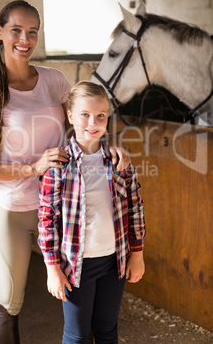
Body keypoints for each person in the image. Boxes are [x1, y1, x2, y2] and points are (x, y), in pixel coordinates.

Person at [0, 0, 130, 343]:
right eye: (16, 31)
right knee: (9, 301)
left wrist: (109, 145)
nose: (25, 39)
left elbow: (82, 122)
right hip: (12, 210)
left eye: (32, 32)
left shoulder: (54, 81)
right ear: (0, 33)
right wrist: (33, 167)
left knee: (76, 301)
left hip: (60, 208)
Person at [38, 81, 146, 344]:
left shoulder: (119, 161)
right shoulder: (58, 165)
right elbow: (46, 219)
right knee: (76, 334)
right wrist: (52, 268)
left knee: (107, 330)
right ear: (71, 116)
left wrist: (137, 254)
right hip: (76, 265)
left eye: (100, 115)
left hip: (113, 261)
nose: (92, 122)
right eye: (85, 114)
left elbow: (135, 207)